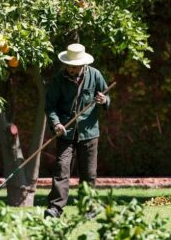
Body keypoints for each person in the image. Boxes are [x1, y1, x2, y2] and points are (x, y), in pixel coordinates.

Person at [44, 43, 110, 219]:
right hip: (65, 132)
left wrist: (103, 100)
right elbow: (50, 107)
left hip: (89, 133)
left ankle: (89, 208)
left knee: (89, 174)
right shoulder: (58, 80)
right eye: (69, 66)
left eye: (74, 67)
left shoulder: (95, 75)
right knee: (61, 170)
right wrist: (56, 123)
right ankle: (55, 208)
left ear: (82, 64)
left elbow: (106, 96)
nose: (71, 70)